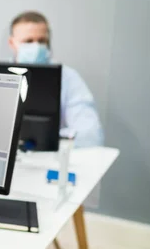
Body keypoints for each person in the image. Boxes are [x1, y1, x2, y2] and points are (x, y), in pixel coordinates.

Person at [8, 11, 104, 147]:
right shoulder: (0, 77)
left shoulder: (68, 77)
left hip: (52, 158)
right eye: (28, 41)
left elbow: (91, 134)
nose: (36, 47)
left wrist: (49, 140)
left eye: (42, 41)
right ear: (12, 43)